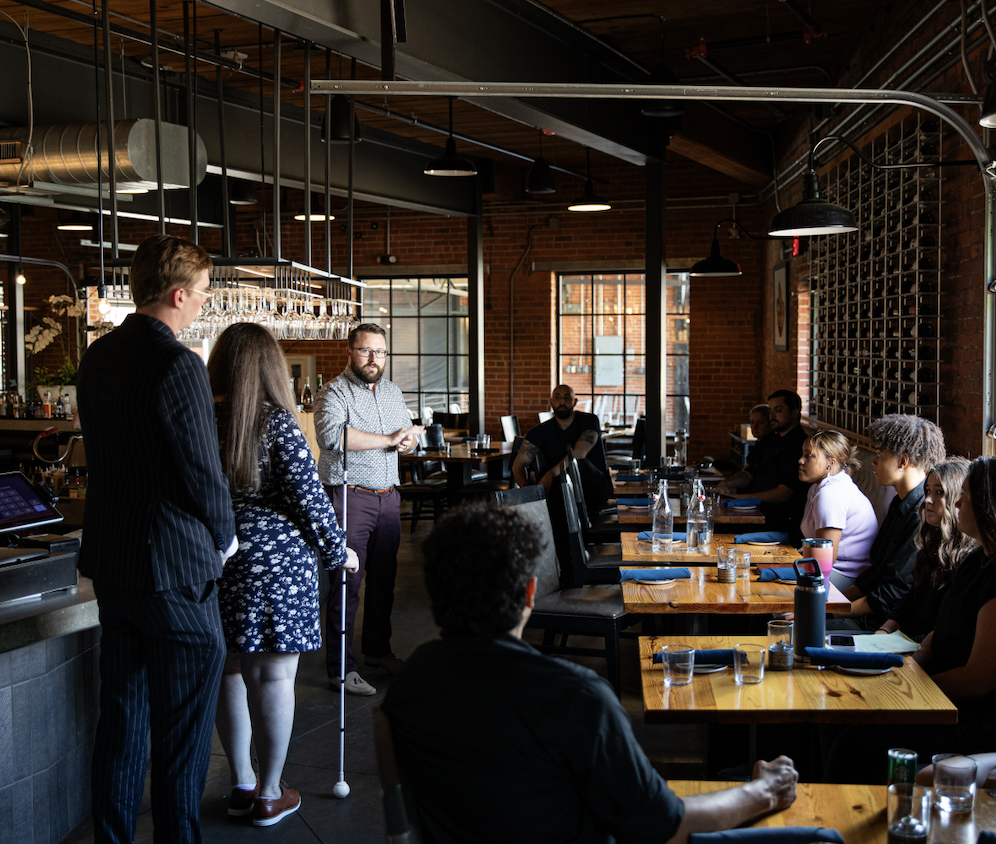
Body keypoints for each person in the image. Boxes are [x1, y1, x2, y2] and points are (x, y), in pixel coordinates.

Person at [382, 504, 799, 844]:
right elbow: (661, 826)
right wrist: (764, 791)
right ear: (530, 592)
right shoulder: (575, 696)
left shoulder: (410, 680)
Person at [76, 234, 238, 844]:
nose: (203, 302)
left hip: (113, 563)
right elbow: (202, 470)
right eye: (202, 292)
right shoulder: (178, 363)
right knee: (183, 735)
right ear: (176, 295)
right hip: (176, 569)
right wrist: (225, 536)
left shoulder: (98, 356)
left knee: (121, 724)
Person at [207, 323, 359, 826]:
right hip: (276, 566)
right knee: (273, 676)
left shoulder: (201, 418)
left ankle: (241, 784)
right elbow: (309, 498)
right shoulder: (275, 422)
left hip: (216, 558)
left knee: (229, 670)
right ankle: (271, 794)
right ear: (271, 367)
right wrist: (339, 551)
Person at [823, 456, 996, 783]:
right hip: (931, 684)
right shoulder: (977, 559)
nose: (957, 503)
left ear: (988, 506)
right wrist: (913, 667)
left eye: (965, 496)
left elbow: (977, 680)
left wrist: (912, 687)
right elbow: (936, 633)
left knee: (854, 743)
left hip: (968, 713)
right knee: (836, 715)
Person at [314, 322, 424, 696]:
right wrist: (390, 438)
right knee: (347, 585)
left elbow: (404, 433)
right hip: (350, 497)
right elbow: (332, 436)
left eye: (380, 351)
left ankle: (377, 651)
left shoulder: (392, 391)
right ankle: (341, 669)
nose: (374, 358)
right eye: (365, 350)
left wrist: (407, 442)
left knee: (384, 582)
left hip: (388, 497)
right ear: (350, 353)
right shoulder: (333, 392)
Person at [830, 414, 946, 631]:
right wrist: (829, 604)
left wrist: (828, 611)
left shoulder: (922, 513)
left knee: (800, 631)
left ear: (903, 461)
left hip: (884, 623)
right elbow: (874, 575)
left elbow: (890, 595)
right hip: (869, 611)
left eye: (879, 454)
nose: (873, 462)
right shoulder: (900, 502)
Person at [876, 457, 975, 641]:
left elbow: (946, 629)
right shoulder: (932, 541)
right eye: (928, 490)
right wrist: (885, 630)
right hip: (902, 638)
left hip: (925, 646)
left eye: (939, 492)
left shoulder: (967, 559)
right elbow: (911, 598)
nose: (928, 500)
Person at [717, 389, 810, 538]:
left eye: (778, 410)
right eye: (771, 411)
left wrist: (741, 499)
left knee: (712, 529)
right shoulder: (773, 441)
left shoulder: (798, 445)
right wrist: (726, 484)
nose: (772, 416)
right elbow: (751, 472)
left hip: (774, 521)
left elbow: (783, 494)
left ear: (794, 412)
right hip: (754, 512)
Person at [797, 430, 879, 592]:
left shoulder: (831, 493)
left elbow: (823, 563)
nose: (800, 460)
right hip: (827, 569)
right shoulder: (819, 487)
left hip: (847, 577)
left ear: (830, 463)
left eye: (809, 456)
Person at [513, 384, 612, 511]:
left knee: (581, 465)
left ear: (574, 401)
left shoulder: (589, 421)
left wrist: (550, 474)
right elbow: (518, 465)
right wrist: (527, 490)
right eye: (557, 397)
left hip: (594, 488)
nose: (562, 402)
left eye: (566, 397)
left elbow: (579, 454)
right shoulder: (540, 431)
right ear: (551, 402)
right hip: (558, 493)